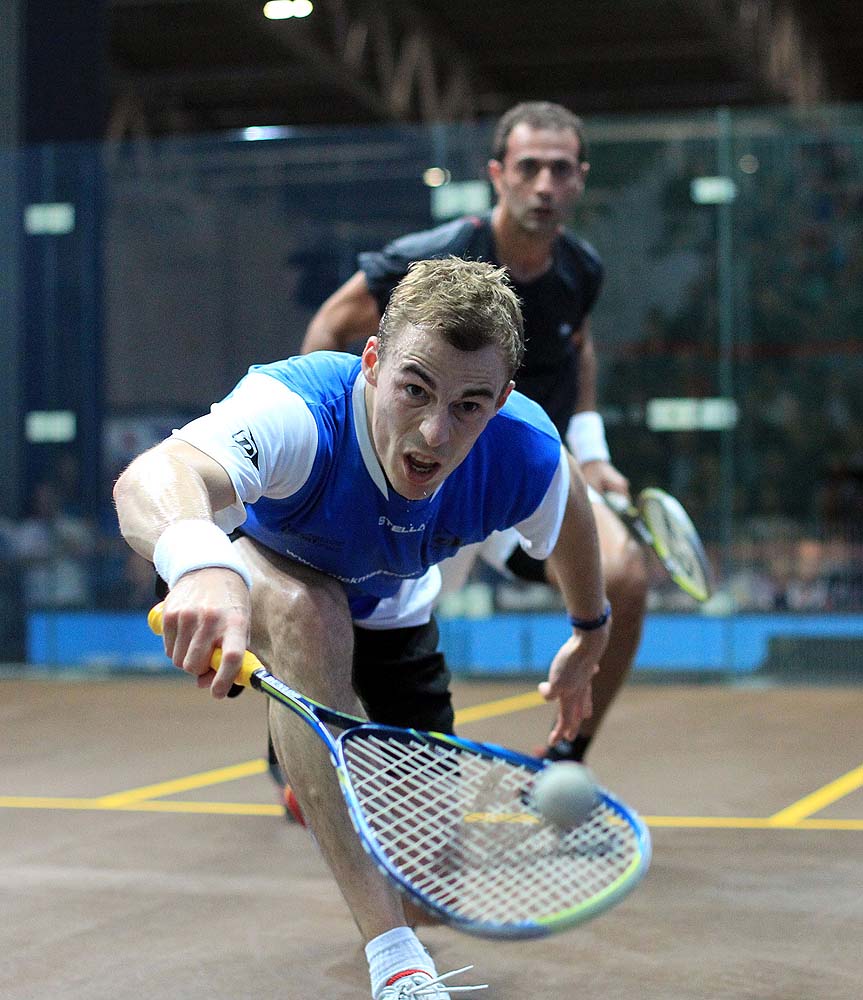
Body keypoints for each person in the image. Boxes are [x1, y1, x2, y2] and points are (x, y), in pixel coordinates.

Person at [113, 258, 611, 1000]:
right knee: (308, 616)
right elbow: (152, 478)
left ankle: (314, 785)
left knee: (429, 886)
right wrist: (199, 564)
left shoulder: (522, 451)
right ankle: (396, 963)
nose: (434, 432)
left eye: (469, 405)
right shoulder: (298, 408)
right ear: (373, 363)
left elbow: (571, 518)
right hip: (246, 572)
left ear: (502, 400)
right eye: (415, 389)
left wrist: (589, 632)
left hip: (392, 614)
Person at [300, 101, 648, 764]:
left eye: (560, 170)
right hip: (421, 478)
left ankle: (563, 760)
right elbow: (332, 325)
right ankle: (300, 756)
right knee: (357, 624)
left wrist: (591, 452)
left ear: (580, 179)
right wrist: (342, 452)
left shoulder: (581, 270)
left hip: (512, 483)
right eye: (528, 167)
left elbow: (579, 348)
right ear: (497, 174)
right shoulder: (429, 257)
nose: (544, 185)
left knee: (624, 578)